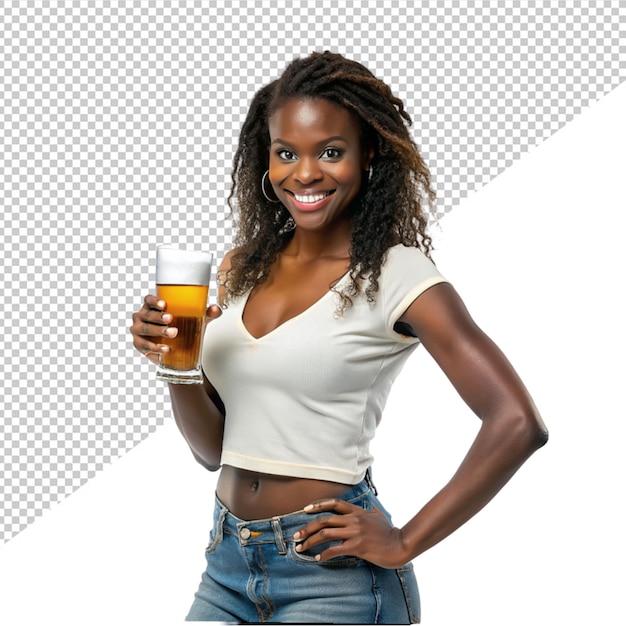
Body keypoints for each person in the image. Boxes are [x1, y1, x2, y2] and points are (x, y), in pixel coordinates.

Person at [130, 51, 548, 624]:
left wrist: (404, 542)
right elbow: (212, 452)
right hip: (227, 563)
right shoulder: (240, 269)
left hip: (332, 576)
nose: (304, 173)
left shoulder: (397, 274)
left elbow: (517, 422)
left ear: (368, 153)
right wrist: (176, 365)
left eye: (330, 151)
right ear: (267, 159)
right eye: (286, 153)